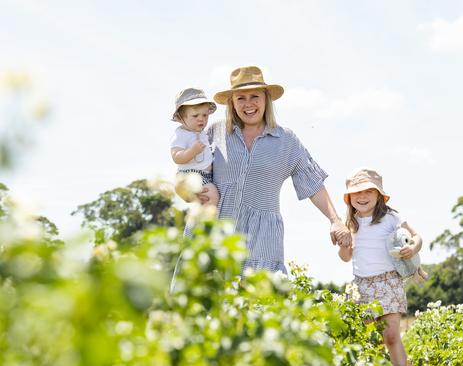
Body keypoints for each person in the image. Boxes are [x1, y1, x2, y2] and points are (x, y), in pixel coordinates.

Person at [196, 65, 352, 273]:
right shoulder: (215, 132)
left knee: (258, 302)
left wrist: (336, 221)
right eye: (240, 98)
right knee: (208, 301)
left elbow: (313, 185)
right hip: (216, 233)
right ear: (232, 103)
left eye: (255, 96)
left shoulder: (285, 140)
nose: (248, 104)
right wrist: (200, 188)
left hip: (262, 240)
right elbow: (194, 172)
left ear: (266, 99)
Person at [338, 167, 423, 366]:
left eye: (368, 191)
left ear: (379, 195)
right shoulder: (350, 223)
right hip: (361, 286)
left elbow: (417, 237)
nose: (362, 196)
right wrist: (344, 245)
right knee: (369, 340)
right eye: (357, 192)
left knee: (391, 336)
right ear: (349, 197)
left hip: (388, 281)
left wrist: (413, 247)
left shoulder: (391, 218)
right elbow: (345, 257)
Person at [170, 87, 219, 206]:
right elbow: (176, 156)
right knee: (211, 196)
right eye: (195, 116)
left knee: (209, 196)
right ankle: (207, 222)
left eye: (205, 115)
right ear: (182, 117)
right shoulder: (181, 134)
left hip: (204, 174)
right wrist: (192, 151)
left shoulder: (203, 133)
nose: (201, 119)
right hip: (190, 174)